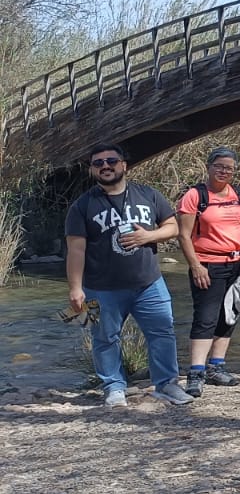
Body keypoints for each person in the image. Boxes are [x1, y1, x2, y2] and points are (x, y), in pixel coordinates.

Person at [64, 143, 192, 407]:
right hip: (100, 288)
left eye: (111, 160)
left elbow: (172, 227)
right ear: (92, 170)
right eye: (98, 163)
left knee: (162, 332)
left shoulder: (148, 195)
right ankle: (113, 387)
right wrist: (75, 289)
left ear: (124, 165)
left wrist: (149, 235)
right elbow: (76, 249)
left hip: (149, 283)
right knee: (103, 337)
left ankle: (167, 384)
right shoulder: (82, 206)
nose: (105, 166)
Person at [176, 147, 240, 396]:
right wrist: (195, 265)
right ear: (209, 166)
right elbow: (183, 234)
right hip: (208, 264)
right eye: (219, 166)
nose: (224, 171)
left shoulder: (239, 195)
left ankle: (217, 366)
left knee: (229, 316)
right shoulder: (195, 196)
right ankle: (196, 372)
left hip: (239, 264)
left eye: (229, 168)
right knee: (205, 318)